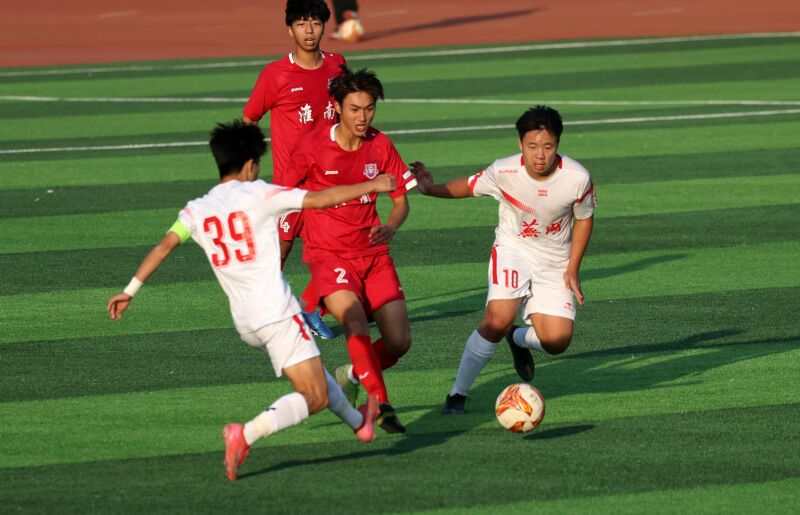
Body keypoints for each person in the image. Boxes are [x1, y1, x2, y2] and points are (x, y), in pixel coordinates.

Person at [107, 121, 396, 480]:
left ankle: (360, 425)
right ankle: (244, 434)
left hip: (246, 323)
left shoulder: (196, 209)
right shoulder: (260, 193)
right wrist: (373, 185)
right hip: (277, 313)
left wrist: (129, 290)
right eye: (258, 163)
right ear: (248, 165)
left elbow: (164, 247)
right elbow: (320, 199)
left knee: (314, 371)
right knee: (315, 396)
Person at [409, 105, 596, 414]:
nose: (540, 155)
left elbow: (584, 218)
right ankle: (457, 394)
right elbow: (469, 186)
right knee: (496, 320)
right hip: (514, 249)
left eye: (548, 146)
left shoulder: (577, 178)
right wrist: (431, 189)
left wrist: (573, 268)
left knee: (557, 340)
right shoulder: (504, 171)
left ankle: (517, 338)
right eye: (532, 146)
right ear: (520, 143)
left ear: (558, 144)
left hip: (555, 261)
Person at [283, 67, 417, 433]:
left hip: (373, 256)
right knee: (355, 323)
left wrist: (391, 226)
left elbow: (401, 201)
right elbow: (282, 195)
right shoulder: (312, 147)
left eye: (369, 108)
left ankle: (352, 375)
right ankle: (380, 403)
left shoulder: (381, 144)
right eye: (355, 109)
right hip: (328, 255)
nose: (363, 117)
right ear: (337, 107)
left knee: (399, 341)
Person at [243, 0, 345, 340]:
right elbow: (249, 119)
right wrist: (247, 167)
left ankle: (310, 306)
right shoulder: (276, 74)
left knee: (341, 248)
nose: (309, 31)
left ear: (324, 26)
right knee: (280, 251)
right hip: (291, 186)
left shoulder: (337, 65)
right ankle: (266, 313)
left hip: (331, 181)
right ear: (290, 29)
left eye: (315, 23)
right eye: (301, 24)